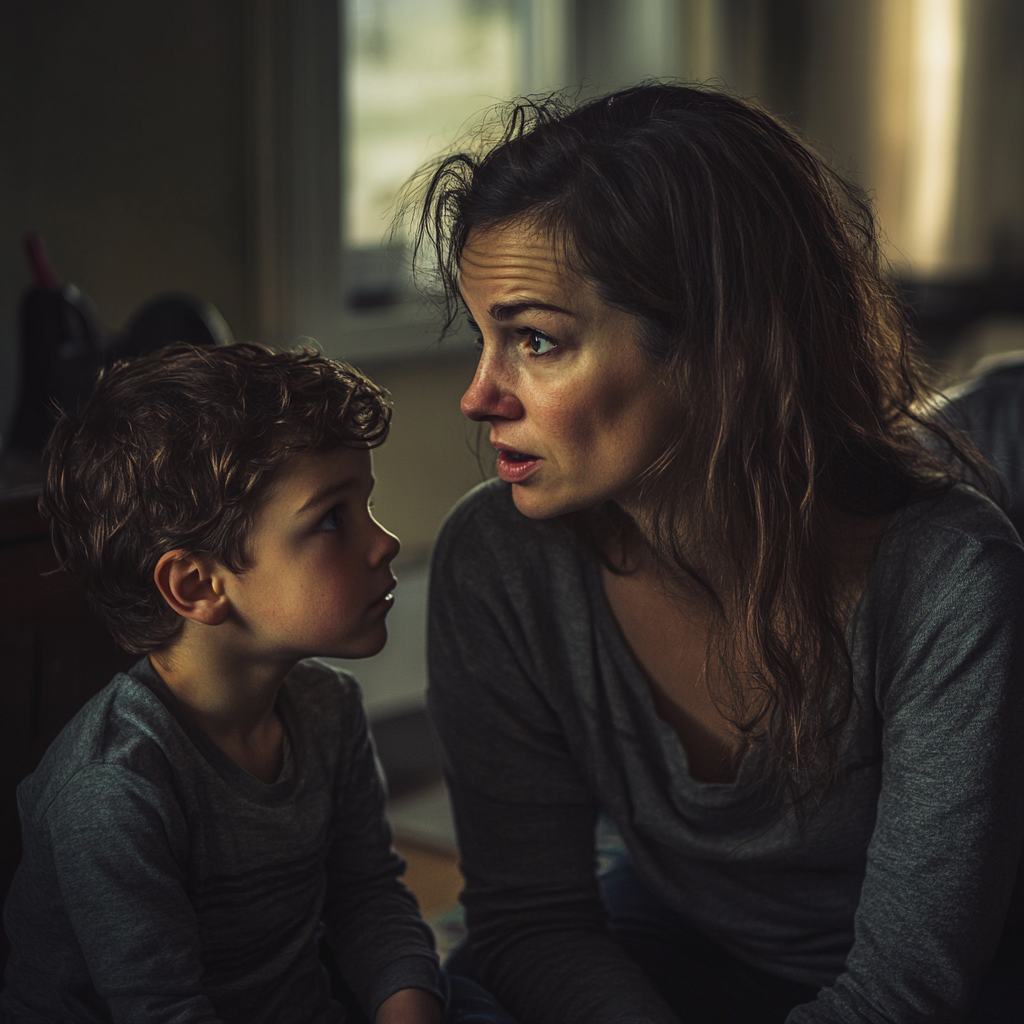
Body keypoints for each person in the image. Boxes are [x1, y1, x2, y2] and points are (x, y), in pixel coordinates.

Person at [416, 84, 1024, 1023]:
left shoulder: (950, 580)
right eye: (487, 337)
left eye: (535, 340)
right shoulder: (498, 557)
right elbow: (535, 917)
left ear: (722, 349)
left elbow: (908, 989)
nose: (479, 394)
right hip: (677, 941)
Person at [1, 343, 514, 1024]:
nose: (384, 542)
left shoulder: (328, 710)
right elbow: (164, 1008)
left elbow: (367, 898)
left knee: (470, 1004)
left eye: (366, 504)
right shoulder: (111, 790)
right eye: (332, 517)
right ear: (197, 586)